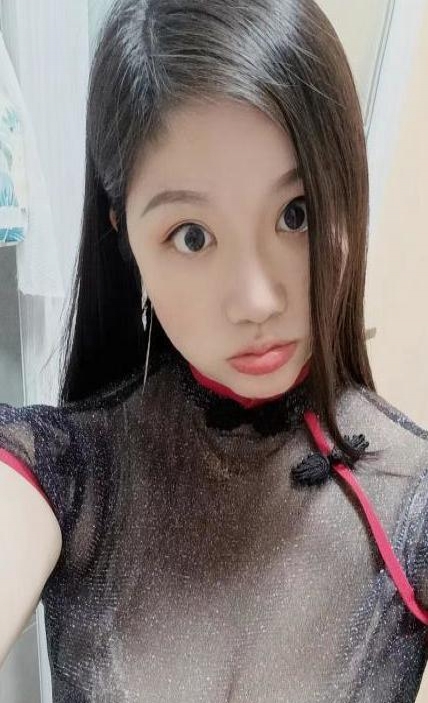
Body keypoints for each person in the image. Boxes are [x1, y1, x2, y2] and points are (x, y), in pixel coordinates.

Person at [1, 0, 428, 700]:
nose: (257, 300)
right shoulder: (69, 471)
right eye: (192, 236)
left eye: (296, 214)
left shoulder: (410, 501)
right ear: (124, 235)